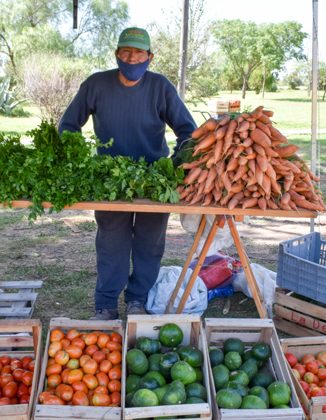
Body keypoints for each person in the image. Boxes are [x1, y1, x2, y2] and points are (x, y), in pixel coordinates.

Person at [59, 27, 196, 320]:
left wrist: (176, 164)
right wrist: (74, 160)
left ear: (150, 56)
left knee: (149, 244)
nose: (132, 58)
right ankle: (106, 305)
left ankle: (137, 300)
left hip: (153, 182)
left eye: (139, 53)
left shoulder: (161, 87)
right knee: (111, 243)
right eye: (126, 51)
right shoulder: (95, 85)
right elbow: (69, 125)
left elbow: (188, 130)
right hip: (109, 181)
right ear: (116, 53)